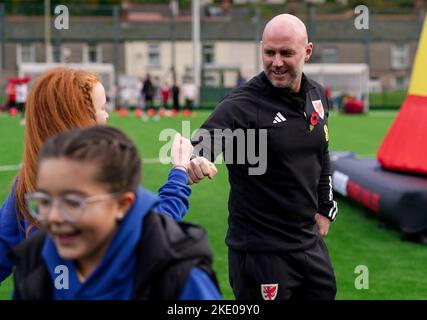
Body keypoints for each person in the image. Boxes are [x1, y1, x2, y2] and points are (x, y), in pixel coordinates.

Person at [189, 14, 338, 300]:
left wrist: (325, 206)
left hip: (309, 245)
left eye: (286, 53)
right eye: (269, 52)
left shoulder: (317, 94)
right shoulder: (240, 106)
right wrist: (195, 158)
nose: (276, 62)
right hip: (261, 256)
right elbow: (200, 144)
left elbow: (322, 150)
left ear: (307, 51)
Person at [0, 67, 194, 284]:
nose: (107, 114)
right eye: (101, 107)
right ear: (79, 117)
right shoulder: (97, 184)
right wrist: (179, 172)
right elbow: (158, 227)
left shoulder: (27, 183)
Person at [8, 125, 222, 300]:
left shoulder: (177, 278)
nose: (53, 217)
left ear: (122, 205)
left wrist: (180, 171)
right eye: (44, 201)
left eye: (73, 203)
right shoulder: (35, 263)